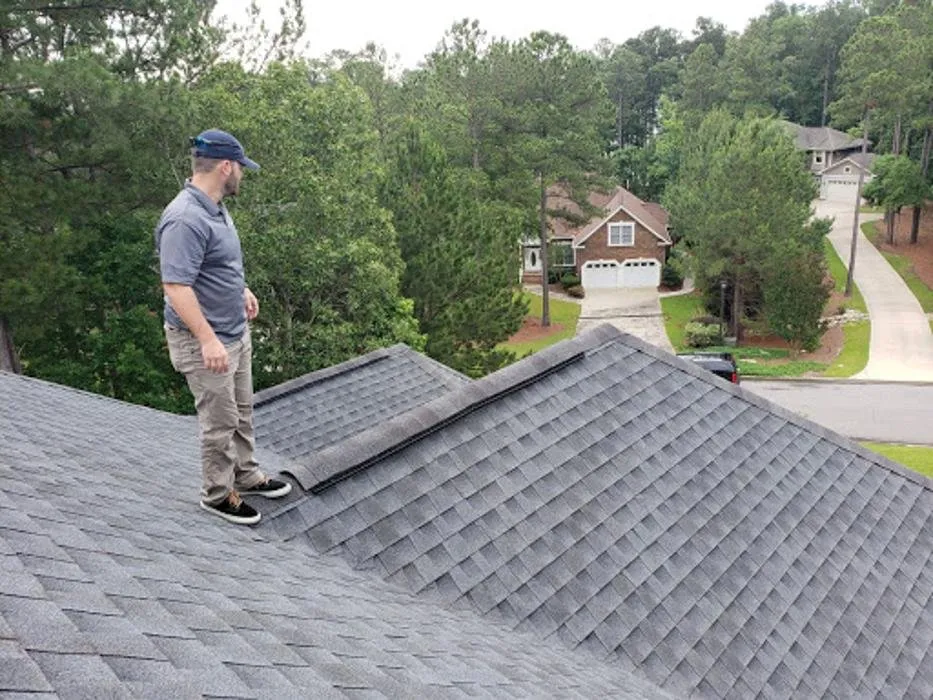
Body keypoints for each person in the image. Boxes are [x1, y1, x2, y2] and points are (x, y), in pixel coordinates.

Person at [155, 129, 291, 525]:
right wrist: (207, 339)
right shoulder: (184, 218)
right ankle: (217, 493)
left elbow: (212, 267)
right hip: (205, 342)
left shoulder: (214, 207)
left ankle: (245, 475)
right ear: (227, 167)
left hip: (233, 333)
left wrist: (241, 290)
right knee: (220, 422)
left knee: (242, 411)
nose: (242, 177)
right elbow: (176, 286)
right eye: (241, 169)